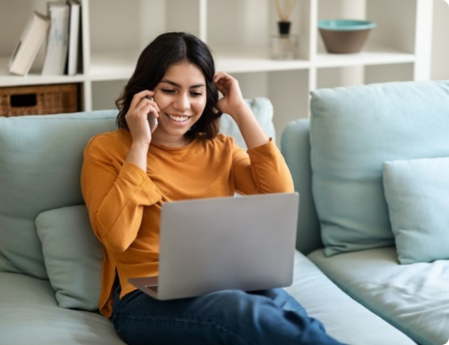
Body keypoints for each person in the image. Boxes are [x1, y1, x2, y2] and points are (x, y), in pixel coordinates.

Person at [81, 31, 343, 345]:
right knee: (243, 312)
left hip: (224, 280)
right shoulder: (106, 149)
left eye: (195, 92)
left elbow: (280, 197)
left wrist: (240, 110)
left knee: (289, 315)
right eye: (169, 90)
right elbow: (117, 237)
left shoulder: (220, 148)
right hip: (144, 297)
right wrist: (140, 144)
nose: (183, 104)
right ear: (145, 91)